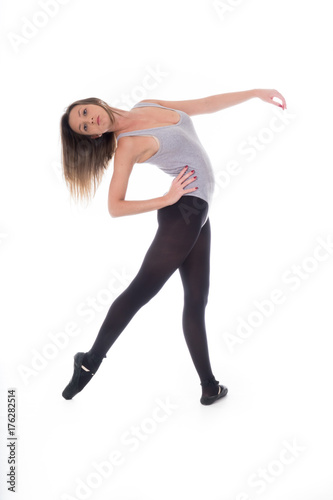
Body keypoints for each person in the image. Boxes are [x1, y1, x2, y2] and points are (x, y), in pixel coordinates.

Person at [60, 88, 287, 405]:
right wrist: (166, 198)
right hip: (184, 210)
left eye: (84, 113)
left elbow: (204, 103)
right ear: (95, 136)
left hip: (197, 212)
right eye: (85, 127)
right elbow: (115, 206)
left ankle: (209, 387)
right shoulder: (127, 145)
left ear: (92, 102)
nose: (90, 120)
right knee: (142, 290)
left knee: (197, 299)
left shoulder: (147, 103)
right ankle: (89, 361)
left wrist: (254, 94)